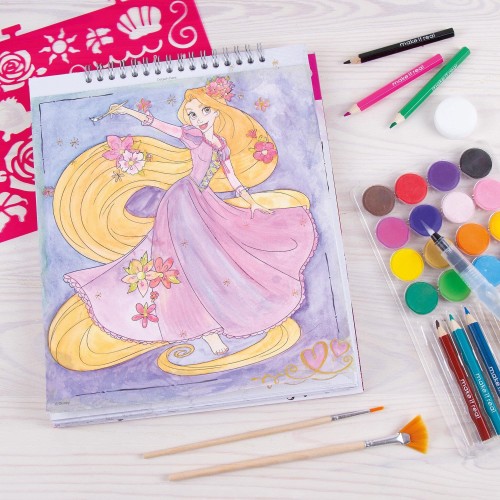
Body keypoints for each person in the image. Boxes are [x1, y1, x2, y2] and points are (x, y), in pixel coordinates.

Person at [57, 82, 318, 357]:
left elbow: (232, 177)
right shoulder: (194, 137)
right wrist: (128, 112)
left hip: (204, 200)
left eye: (204, 110)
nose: (198, 117)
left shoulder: (221, 144)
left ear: (216, 111)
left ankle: (223, 314)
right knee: (183, 263)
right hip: (181, 200)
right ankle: (206, 331)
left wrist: (250, 201)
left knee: (219, 256)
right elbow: (160, 126)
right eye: (192, 114)